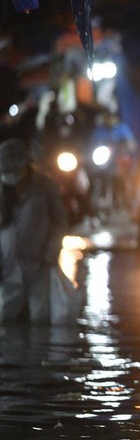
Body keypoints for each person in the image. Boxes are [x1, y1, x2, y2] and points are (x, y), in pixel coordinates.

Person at [0, 138, 67, 324]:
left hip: (40, 264)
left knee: (40, 318)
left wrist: (51, 253)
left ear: (26, 165)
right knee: (5, 316)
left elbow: (60, 223)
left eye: (14, 170)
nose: (10, 176)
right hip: (8, 265)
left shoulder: (46, 187)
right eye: (5, 171)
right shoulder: (2, 188)